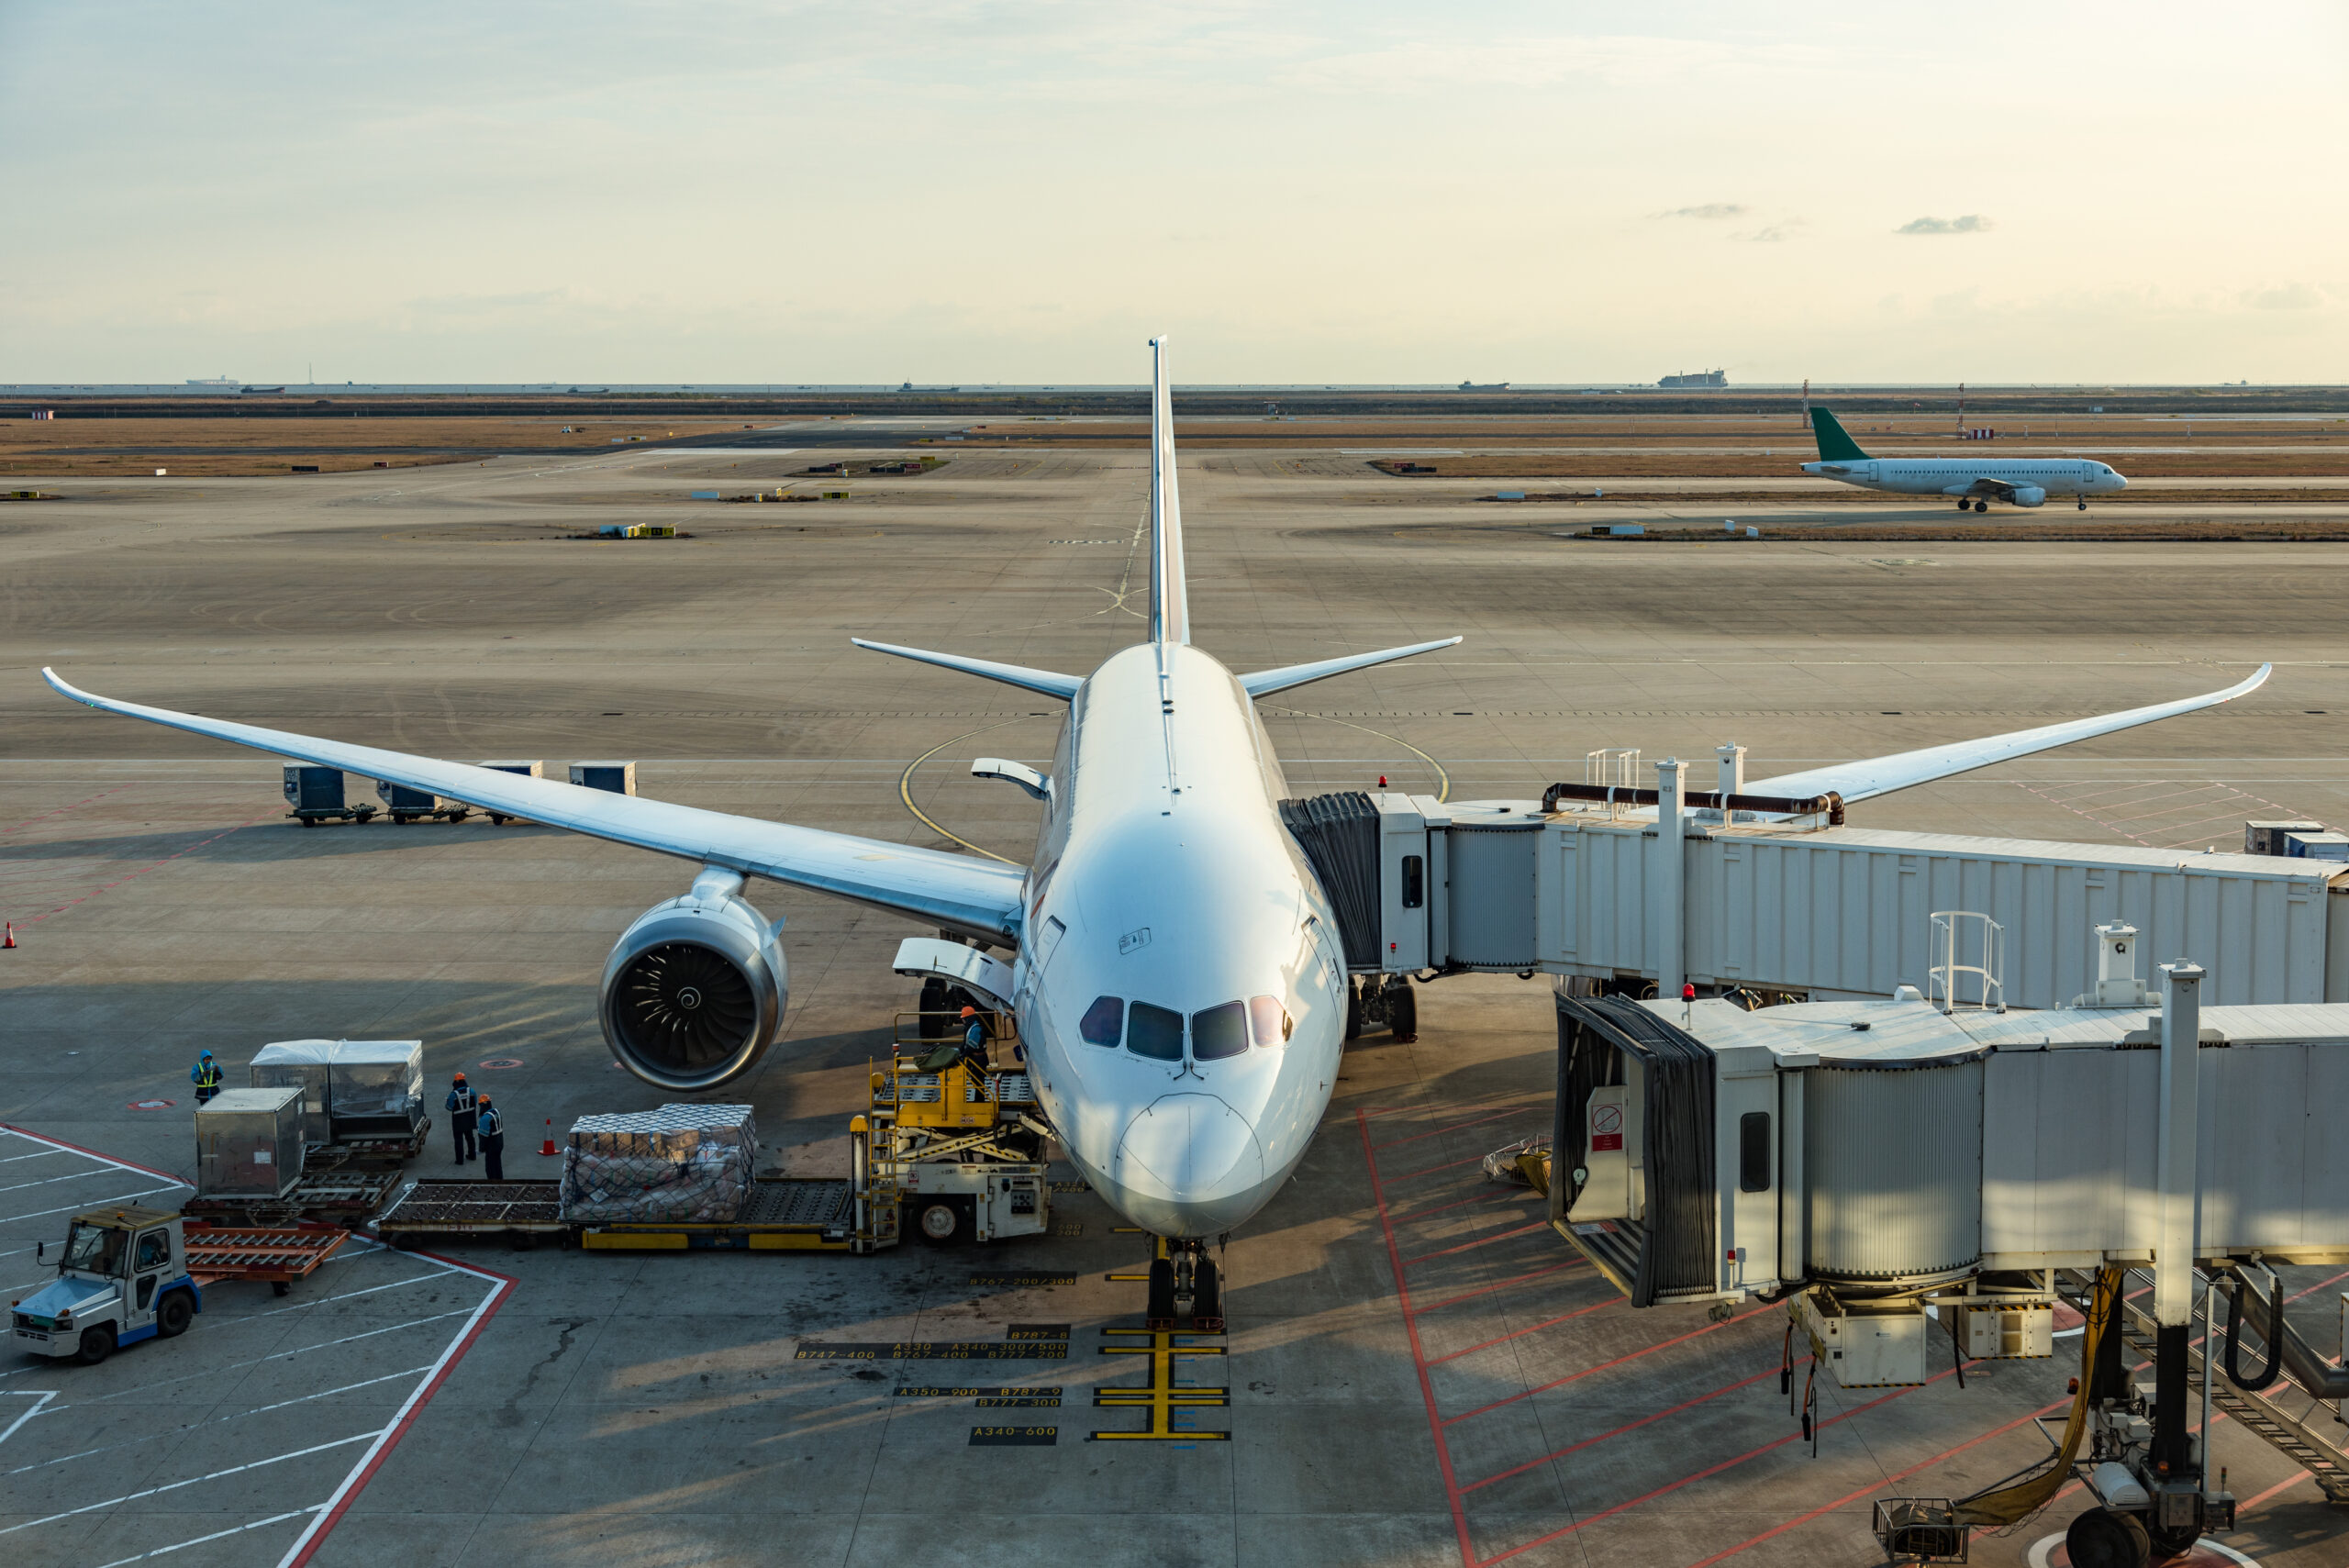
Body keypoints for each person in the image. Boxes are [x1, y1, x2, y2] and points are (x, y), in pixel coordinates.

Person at [446, 1073, 477, 1164]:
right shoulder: (471, 1091)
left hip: (458, 1121)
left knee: (458, 1140)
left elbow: (449, 1107)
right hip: (469, 1119)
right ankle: (472, 1155)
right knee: (470, 1138)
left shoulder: (453, 1095)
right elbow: (475, 1103)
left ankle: (460, 1160)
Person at [477, 1094, 505, 1181]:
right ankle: (500, 1180)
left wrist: (481, 1149)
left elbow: (483, 1136)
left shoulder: (485, 1118)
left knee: (490, 1167)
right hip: (500, 1142)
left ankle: (492, 1183)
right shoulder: (496, 1112)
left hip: (492, 1146)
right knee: (497, 1164)